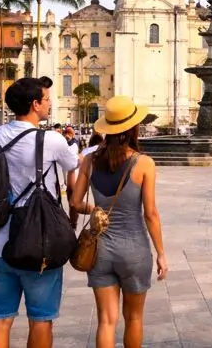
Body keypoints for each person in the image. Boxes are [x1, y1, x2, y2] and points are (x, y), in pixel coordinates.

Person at [0, 76, 80, 348]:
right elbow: (73, 163)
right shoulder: (51, 140)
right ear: (35, 104)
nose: (50, 104)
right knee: (41, 319)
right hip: (39, 243)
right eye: (47, 99)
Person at [71, 96, 167, 348]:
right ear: (134, 127)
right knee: (134, 318)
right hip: (134, 249)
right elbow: (151, 213)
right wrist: (161, 253)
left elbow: (75, 203)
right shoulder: (143, 163)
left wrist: (97, 209)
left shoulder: (90, 161)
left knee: (106, 320)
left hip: (100, 251)